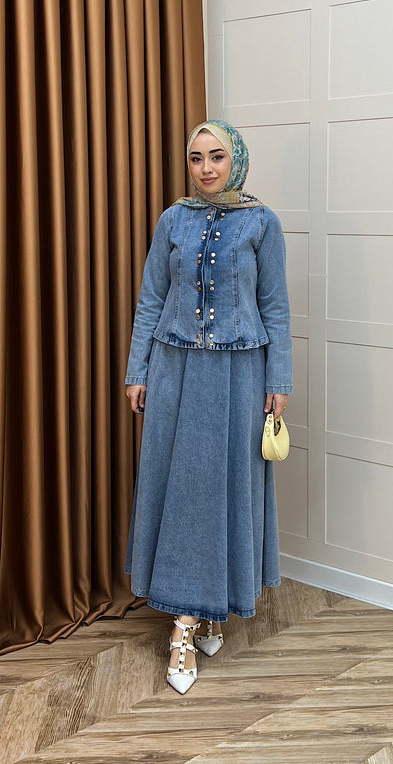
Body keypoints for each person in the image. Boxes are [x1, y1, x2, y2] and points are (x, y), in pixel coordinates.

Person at [124, 119, 293, 694]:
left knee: (224, 489)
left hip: (239, 376)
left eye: (216, 156)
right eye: (196, 158)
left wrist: (279, 379)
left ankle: (208, 611)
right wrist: (138, 370)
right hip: (174, 371)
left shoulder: (262, 223)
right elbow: (152, 298)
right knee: (184, 492)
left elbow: (275, 307)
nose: (205, 168)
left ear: (235, 160)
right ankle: (185, 625)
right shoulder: (172, 220)